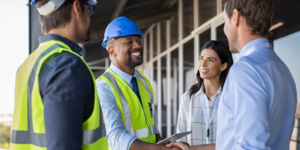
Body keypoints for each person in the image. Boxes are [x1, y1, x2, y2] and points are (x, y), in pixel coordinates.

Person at [10, 0, 107, 150]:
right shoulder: (67, 66)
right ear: (76, 7)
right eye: (89, 9)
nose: (89, 17)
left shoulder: (26, 66)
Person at [216, 0, 297, 150]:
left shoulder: (244, 70)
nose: (224, 30)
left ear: (235, 16)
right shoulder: (283, 69)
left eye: (224, 21)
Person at [96, 16, 180, 150]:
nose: (137, 46)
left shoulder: (142, 80)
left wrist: (165, 143)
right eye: (129, 42)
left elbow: (152, 127)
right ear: (112, 51)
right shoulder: (103, 87)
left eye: (139, 40)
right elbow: (115, 137)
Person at [166, 40, 233, 150]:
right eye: (201, 58)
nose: (203, 64)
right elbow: (181, 139)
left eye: (210, 60)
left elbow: (236, 142)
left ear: (223, 66)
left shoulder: (232, 97)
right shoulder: (187, 98)